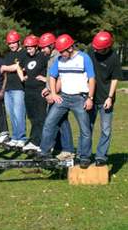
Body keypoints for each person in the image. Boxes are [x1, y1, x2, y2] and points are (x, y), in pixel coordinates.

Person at [36, 34, 95, 169]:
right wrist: (54, 93)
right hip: (63, 97)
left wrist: (90, 98)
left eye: (62, 51)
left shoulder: (84, 58)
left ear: (70, 48)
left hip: (80, 98)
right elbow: (52, 76)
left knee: (85, 129)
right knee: (49, 123)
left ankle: (85, 157)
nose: (61, 54)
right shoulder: (60, 59)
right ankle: (44, 152)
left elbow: (92, 79)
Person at [88, 31, 123, 166]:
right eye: (95, 47)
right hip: (90, 98)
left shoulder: (113, 57)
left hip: (105, 100)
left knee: (105, 129)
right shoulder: (91, 53)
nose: (96, 50)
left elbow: (115, 79)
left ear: (107, 47)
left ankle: (101, 156)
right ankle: (83, 155)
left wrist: (109, 97)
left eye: (99, 48)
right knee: (87, 128)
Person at [38, 32, 74, 160]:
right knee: (60, 121)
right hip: (54, 92)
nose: (42, 50)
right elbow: (51, 76)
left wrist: (53, 93)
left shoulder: (58, 57)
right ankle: (62, 148)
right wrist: (47, 88)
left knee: (56, 121)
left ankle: (57, 149)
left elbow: (60, 78)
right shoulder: (51, 56)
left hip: (59, 94)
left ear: (52, 45)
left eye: (44, 47)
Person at [18, 34, 48, 151]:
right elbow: (18, 67)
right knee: (32, 117)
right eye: (27, 48)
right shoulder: (25, 57)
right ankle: (34, 139)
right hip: (28, 91)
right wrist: (22, 77)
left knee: (41, 117)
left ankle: (39, 141)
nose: (28, 50)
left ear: (36, 47)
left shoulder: (43, 57)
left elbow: (52, 71)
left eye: (30, 48)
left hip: (40, 91)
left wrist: (46, 79)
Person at [0, 30, 27, 147]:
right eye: (10, 43)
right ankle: (15, 137)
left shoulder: (24, 53)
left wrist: (7, 67)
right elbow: (3, 70)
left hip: (18, 88)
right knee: (11, 113)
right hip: (8, 88)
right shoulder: (8, 55)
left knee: (19, 113)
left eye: (14, 43)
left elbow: (20, 68)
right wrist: (13, 67)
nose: (12, 45)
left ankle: (22, 137)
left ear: (19, 42)